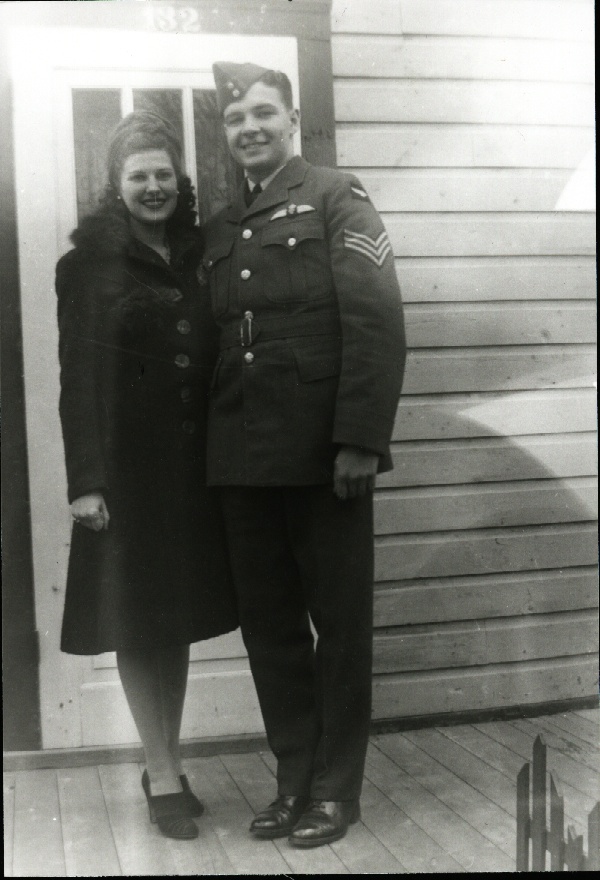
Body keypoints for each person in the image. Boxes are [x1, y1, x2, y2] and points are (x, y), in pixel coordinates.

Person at [203, 62, 407, 847]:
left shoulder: (334, 195)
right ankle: (293, 780)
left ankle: (336, 791)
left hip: (325, 457)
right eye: (234, 119)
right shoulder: (223, 228)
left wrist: (359, 438)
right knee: (271, 629)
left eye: (262, 113)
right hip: (241, 460)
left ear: (292, 120)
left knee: (340, 625)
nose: (248, 127)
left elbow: (376, 319)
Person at [56, 111, 238, 841]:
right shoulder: (87, 266)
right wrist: (84, 480)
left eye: (164, 173)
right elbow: (79, 380)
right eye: (139, 177)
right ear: (116, 185)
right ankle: (162, 768)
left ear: (179, 179)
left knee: (179, 619)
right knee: (139, 621)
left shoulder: (204, 252)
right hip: (127, 475)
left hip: (195, 471)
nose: (154, 187)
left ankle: (170, 758)